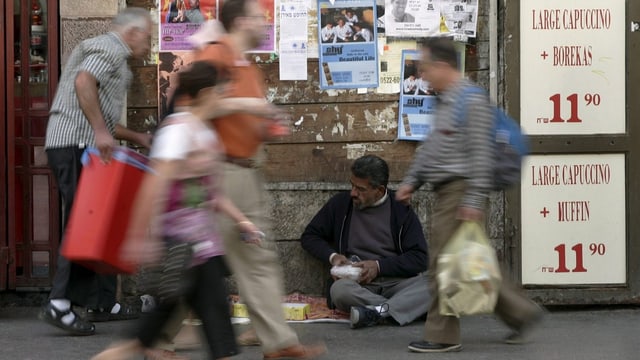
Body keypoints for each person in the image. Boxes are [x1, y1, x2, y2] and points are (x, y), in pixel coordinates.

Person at [91, 61, 255, 360]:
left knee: (213, 332)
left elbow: (210, 192)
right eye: (222, 91)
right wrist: (142, 238)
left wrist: (242, 221)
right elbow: (153, 188)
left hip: (201, 248)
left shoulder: (203, 131)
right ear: (206, 93)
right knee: (148, 337)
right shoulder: (177, 132)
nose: (227, 96)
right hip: (180, 247)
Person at [193, 0, 327, 358]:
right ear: (240, 22)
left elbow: (241, 115)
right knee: (209, 261)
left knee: (255, 258)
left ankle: (279, 344)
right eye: (258, 16)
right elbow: (198, 106)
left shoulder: (248, 66)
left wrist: (264, 128)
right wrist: (250, 107)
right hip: (220, 172)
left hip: (248, 171)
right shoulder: (215, 55)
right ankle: (154, 338)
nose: (265, 20)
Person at [395, 37, 543, 353]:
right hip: (449, 191)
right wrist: (412, 181)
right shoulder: (447, 100)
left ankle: (443, 335)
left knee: (443, 264)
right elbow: (433, 148)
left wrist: (474, 199)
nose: (423, 75)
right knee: (474, 265)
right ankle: (522, 313)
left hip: (460, 192)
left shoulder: (471, 101)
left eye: (425, 68)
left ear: (443, 65)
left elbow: (480, 155)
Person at [40, 7, 153, 336]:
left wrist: (134, 136)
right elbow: (83, 82)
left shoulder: (111, 53)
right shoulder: (111, 48)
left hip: (78, 144)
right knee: (83, 226)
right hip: (74, 145)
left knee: (97, 224)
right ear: (131, 33)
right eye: (147, 37)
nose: (149, 44)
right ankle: (59, 304)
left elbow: (96, 109)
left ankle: (101, 302)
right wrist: (102, 132)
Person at [301, 155, 430, 329]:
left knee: (436, 283)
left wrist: (378, 266)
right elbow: (310, 236)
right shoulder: (340, 204)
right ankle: (401, 308)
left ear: (379, 190)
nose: (353, 192)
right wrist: (333, 257)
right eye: (352, 185)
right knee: (339, 291)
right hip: (358, 285)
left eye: (360, 189)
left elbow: (420, 258)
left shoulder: (401, 210)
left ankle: (375, 312)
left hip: (397, 283)